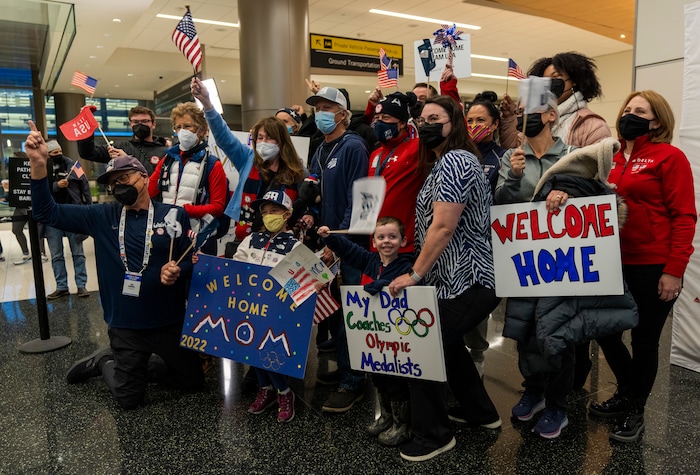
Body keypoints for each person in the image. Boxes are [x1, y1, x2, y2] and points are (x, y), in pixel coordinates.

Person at [25, 123, 203, 409]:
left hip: (169, 321)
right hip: (125, 325)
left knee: (193, 383)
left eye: (125, 177)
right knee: (129, 399)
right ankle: (105, 360)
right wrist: (38, 164)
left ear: (143, 178)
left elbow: (191, 259)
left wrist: (179, 271)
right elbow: (46, 212)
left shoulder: (174, 215)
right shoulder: (101, 215)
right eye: (113, 182)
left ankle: (136, 366)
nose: (119, 185)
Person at [388, 95, 501, 462]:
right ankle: (480, 412)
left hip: (469, 278)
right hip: (455, 281)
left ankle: (434, 435)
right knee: (449, 346)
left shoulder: (456, 160)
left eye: (435, 117)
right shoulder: (442, 164)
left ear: (455, 125)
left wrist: (414, 274)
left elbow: (443, 226)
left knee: (423, 345)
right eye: (422, 118)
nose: (426, 123)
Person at [591, 91, 696, 443]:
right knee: (605, 331)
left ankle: (635, 409)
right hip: (610, 263)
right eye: (628, 109)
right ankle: (626, 391)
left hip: (652, 265)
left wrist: (674, 269)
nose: (630, 115)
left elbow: (684, 216)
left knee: (644, 341)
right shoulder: (611, 158)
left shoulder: (670, 157)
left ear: (657, 120)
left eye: (641, 111)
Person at [495, 93, 576, 439]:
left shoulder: (571, 156)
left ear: (551, 115)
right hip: (524, 264)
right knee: (525, 331)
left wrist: (568, 194)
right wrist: (512, 178)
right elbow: (498, 204)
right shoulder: (511, 157)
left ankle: (558, 404)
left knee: (559, 336)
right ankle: (534, 390)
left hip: (563, 264)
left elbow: (595, 195)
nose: (524, 116)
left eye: (531, 111)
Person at [318, 216, 414, 446]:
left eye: (392, 237)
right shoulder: (372, 261)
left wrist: (376, 286)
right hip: (377, 338)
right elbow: (350, 250)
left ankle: (403, 424)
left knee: (396, 380)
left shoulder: (408, 265)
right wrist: (330, 237)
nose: (386, 241)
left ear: (403, 240)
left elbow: (393, 285)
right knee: (379, 377)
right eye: (381, 237)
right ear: (374, 240)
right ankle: (387, 416)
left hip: (398, 340)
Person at [305, 85, 369, 413]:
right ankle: (348, 369)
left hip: (350, 246)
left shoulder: (353, 147)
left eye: (327, 107)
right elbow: (322, 194)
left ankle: (354, 381)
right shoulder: (321, 149)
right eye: (317, 107)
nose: (321, 113)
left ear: (343, 114)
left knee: (351, 316)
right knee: (340, 315)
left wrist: (339, 245)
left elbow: (357, 202)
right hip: (332, 242)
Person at [190, 77, 305, 245]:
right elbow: (224, 137)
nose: (263, 142)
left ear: (281, 141)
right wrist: (207, 104)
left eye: (270, 138)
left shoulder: (296, 169)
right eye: (260, 137)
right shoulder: (248, 158)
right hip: (246, 233)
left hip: (283, 236)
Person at [232, 190, 301, 423]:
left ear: (287, 214)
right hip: (249, 307)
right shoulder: (251, 239)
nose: (268, 215)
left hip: (276, 311)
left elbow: (299, 280)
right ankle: (265, 389)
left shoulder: (294, 246)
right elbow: (236, 267)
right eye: (264, 212)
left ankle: (284, 392)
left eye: (274, 211)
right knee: (250, 349)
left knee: (269, 351)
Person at [148, 101, 228, 255]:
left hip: (199, 236)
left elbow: (218, 207)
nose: (182, 131)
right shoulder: (167, 160)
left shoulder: (212, 164)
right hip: (167, 231)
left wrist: (185, 211)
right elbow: (148, 191)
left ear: (201, 130)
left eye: (187, 126)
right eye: (178, 127)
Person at [500, 52, 611, 151]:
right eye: (545, 80)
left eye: (556, 77)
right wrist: (509, 118)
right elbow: (513, 149)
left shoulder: (593, 125)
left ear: (574, 80)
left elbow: (596, 169)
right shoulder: (537, 117)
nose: (549, 84)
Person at [368, 91, 424, 253]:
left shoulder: (417, 148)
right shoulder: (375, 154)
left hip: (404, 245)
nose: (379, 123)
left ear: (401, 123)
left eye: (386, 118)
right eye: (377, 118)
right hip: (376, 244)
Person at [44, 140, 92, 299]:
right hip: (53, 216)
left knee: (78, 253)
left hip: (73, 213)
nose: (57, 154)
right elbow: (39, 190)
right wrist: (57, 186)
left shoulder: (74, 166)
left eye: (59, 151)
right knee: (56, 254)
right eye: (53, 153)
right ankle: (61, 286)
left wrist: (89, 207)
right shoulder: (44, 168)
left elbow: (85, 184)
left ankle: (81, 285)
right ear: (48, 154)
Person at [78, 105, 168, 175]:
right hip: (129, 198)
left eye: (145, 121)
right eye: (135, 122)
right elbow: (88, 153)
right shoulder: (120, 148)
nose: (140, 125)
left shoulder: (164, 152)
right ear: (130, 124)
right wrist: (86, 125)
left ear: (153, 124)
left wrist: (126, 160)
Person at [10, 151, 48, 265]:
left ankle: (41, 253)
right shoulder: (14, 174)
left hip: (33, 205)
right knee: (16, 229)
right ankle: (26, 253)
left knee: (37, 232)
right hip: (19, 205)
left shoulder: (33, 169)